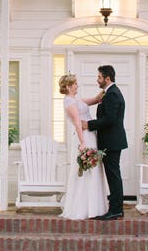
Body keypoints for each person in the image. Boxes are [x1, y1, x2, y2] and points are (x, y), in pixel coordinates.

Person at [58, 73, 108, 220]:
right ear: (68, 86)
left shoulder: (76, 100)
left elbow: (95, 100)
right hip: (84, 137)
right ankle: (82, 208)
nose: (77, 85)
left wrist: (105, 89)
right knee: (85, 172)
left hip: (91, 136)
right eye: (75, 84)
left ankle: (94, 207)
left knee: (94, 171)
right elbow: (77, 123)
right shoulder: (69, 102)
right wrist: (83, 143)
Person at [83, 64, 128, 220]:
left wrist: (88, 125)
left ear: (107, 78)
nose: (97, 80)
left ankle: (116, 210)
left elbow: (110, 119)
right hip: (111, 141)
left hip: (112, 142)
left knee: (113, 176)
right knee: (112, 175)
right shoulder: (109, 93)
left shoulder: (113, 94)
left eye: (99, 77)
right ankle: (116, 208)